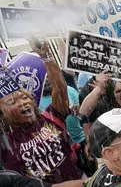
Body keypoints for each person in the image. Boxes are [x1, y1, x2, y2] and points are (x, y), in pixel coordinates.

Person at [0, 40, 82, 183]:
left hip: (79, 181)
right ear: (2, 114)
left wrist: (47, 57)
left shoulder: (50, 118)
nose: (23, 102)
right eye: (13, 102)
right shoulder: (4, 142)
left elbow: (61, 90)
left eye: (25, 97)